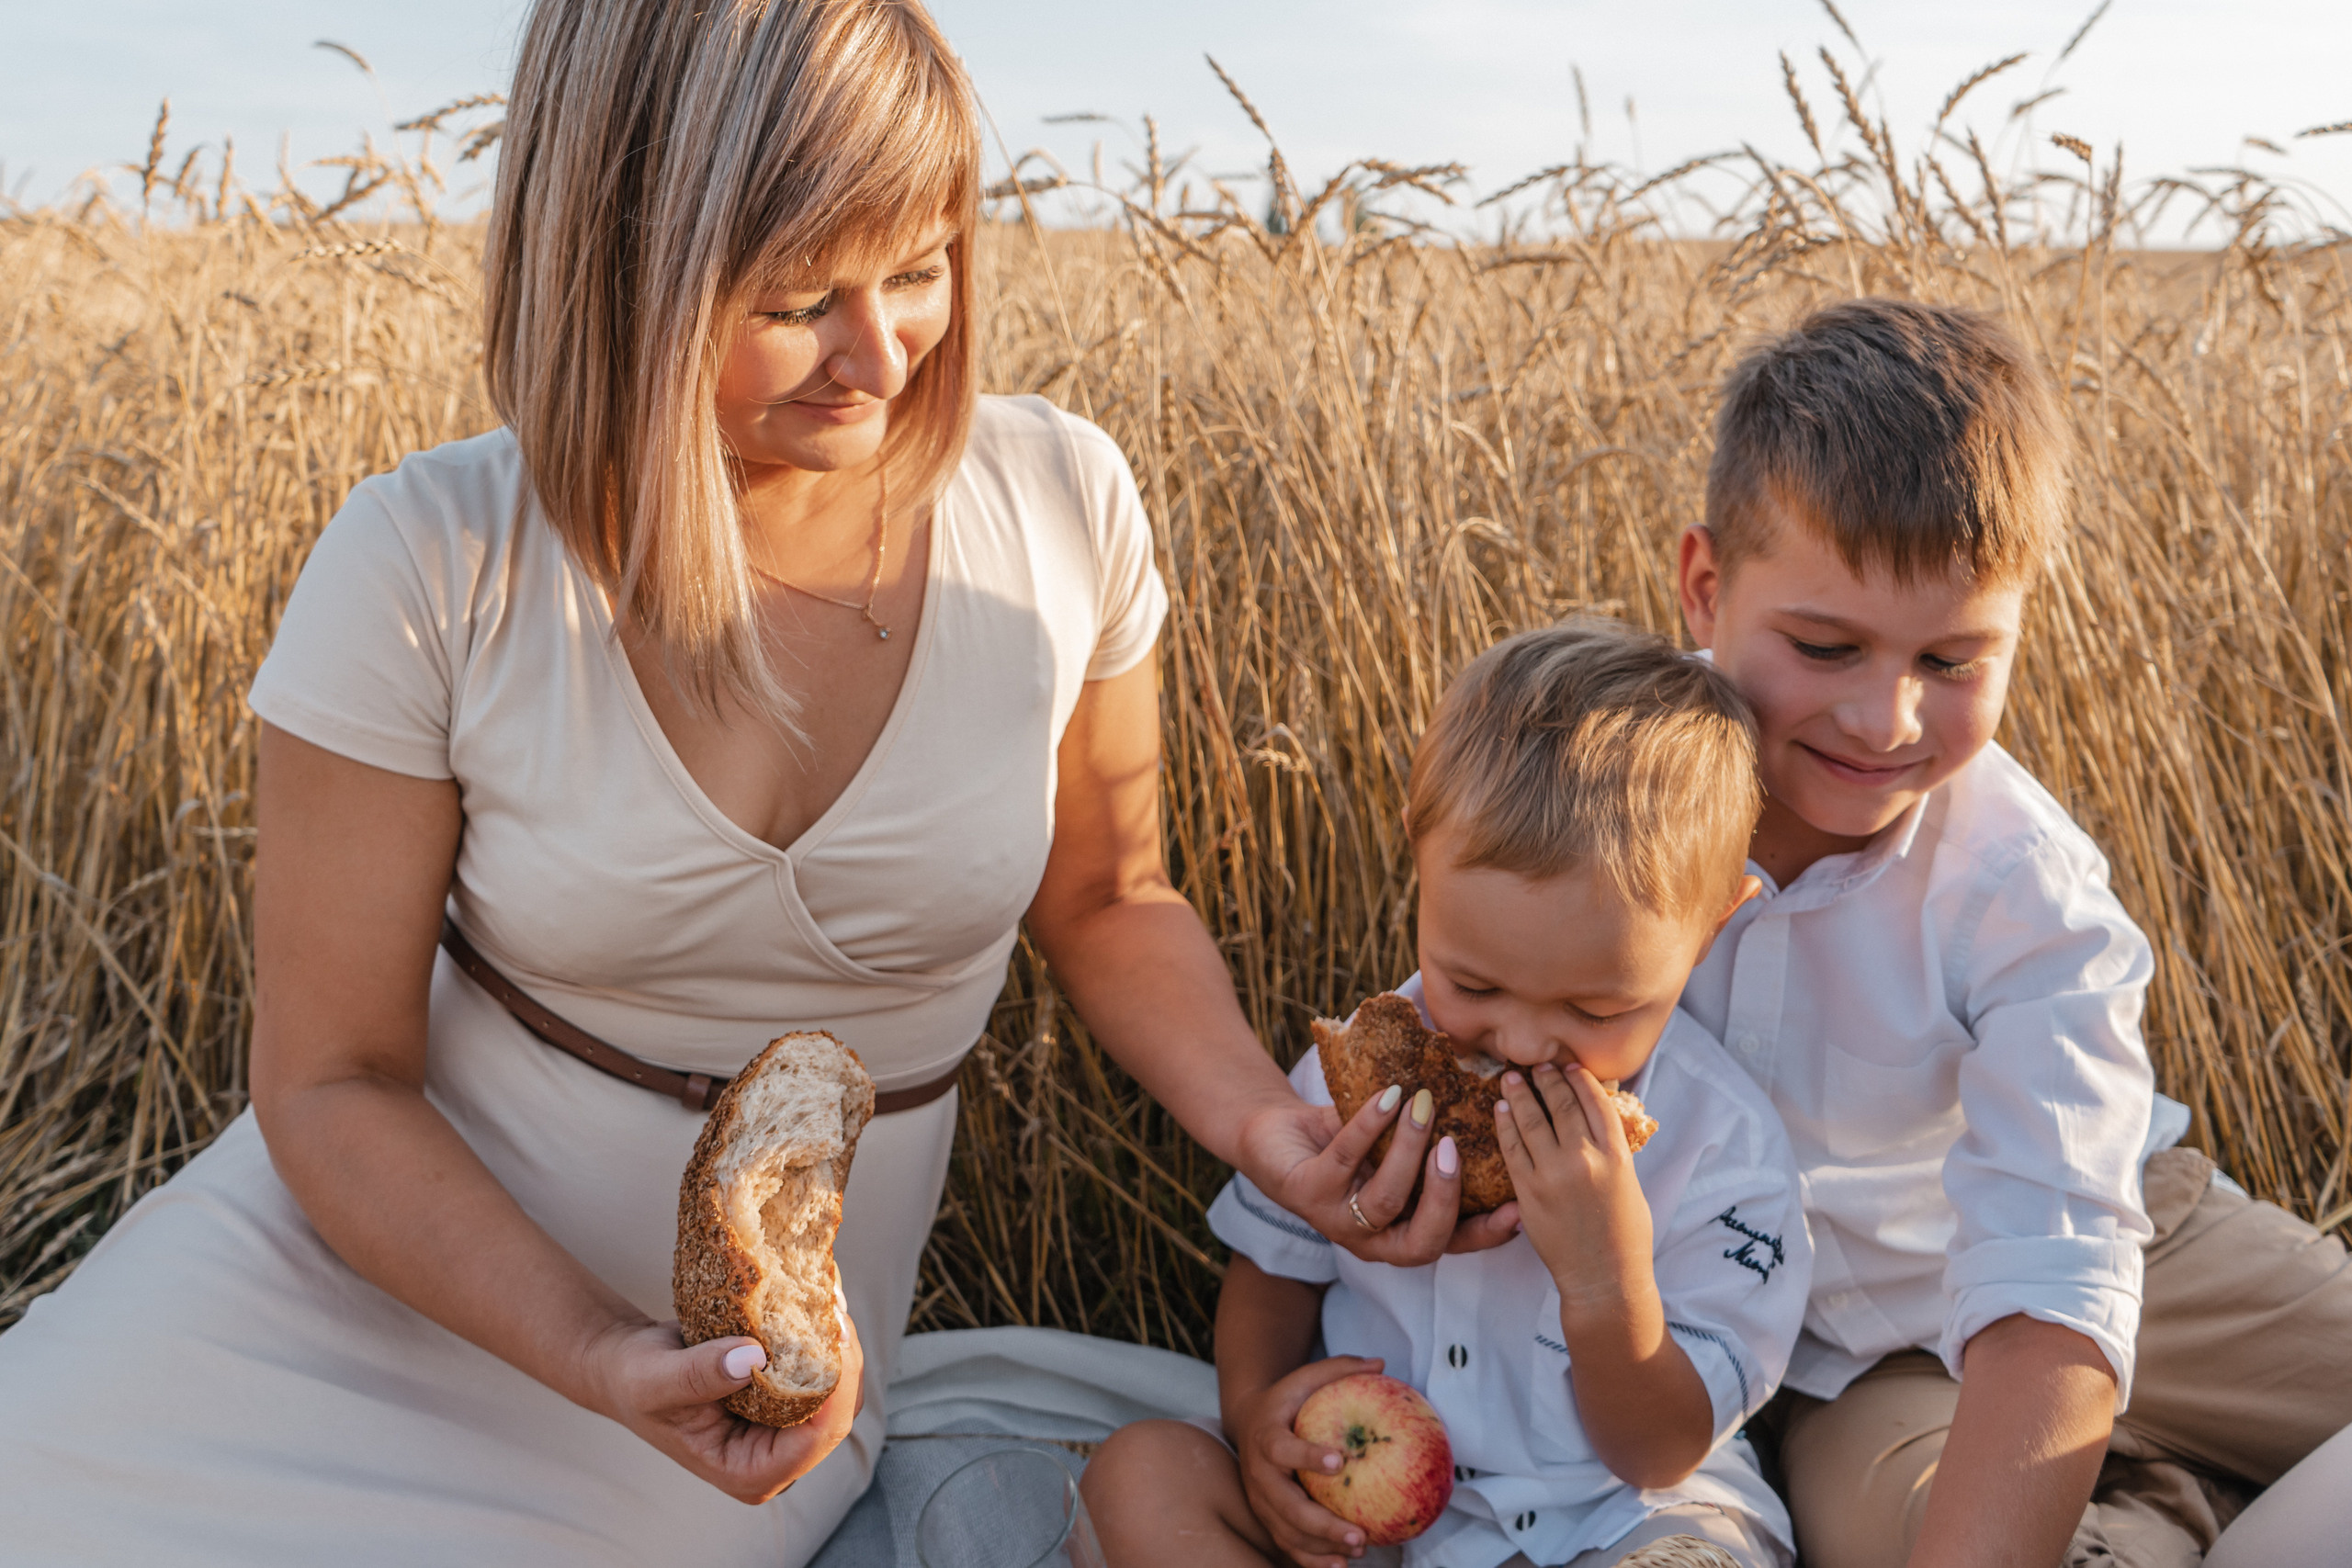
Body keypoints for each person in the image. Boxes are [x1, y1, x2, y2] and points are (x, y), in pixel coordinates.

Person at [0, 3, 1491, 1562]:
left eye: (920, 271)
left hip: (740, 1383)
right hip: (364, 1277)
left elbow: (1112, 894)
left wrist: (1270, 1127)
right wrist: (593, 1347)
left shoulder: (1061, 503)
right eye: (798, 298)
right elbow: (332, 1081)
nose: (882, 355)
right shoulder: (423, 560)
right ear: (618, 260)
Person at [1672, 296, 2352, 1568]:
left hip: (2145, 1234)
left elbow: (2061, 1270)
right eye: (1826, 645)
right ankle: (2153, 1504)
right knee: (1920, 1530)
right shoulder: (1606, 807)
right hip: (1841, 1344)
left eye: (1954, 655)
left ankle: (2154, 1466)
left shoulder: (2019, 881)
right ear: (1706, 583)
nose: (1886, 717)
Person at [1083, 621, 1814, 1568]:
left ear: (1711, 933)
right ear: (1419, 864)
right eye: (1472, 986)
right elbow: (1273, 1273)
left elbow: (1661, 1452)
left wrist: (1603, 1280)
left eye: (1595, 1006)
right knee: (1140, 1477)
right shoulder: (1361, 1083)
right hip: (1370, 1522)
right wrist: (1261, 1418)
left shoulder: (1725, 1155)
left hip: (1619, 1522)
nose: (1516, 1043)